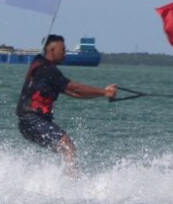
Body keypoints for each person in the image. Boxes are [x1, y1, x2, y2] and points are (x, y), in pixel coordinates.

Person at [16, 34, 117, 175]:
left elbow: (74, 93)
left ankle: (52, 179)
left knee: (63, 149)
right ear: (51, 51)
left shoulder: (38, 62)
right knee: (67, 145)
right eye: (62, 50)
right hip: (33, 119)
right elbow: (75, 88)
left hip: (25, 124)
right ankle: (73, 183)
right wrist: (104, 92)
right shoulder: (49, 70)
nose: (65, 53)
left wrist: (102, 94)